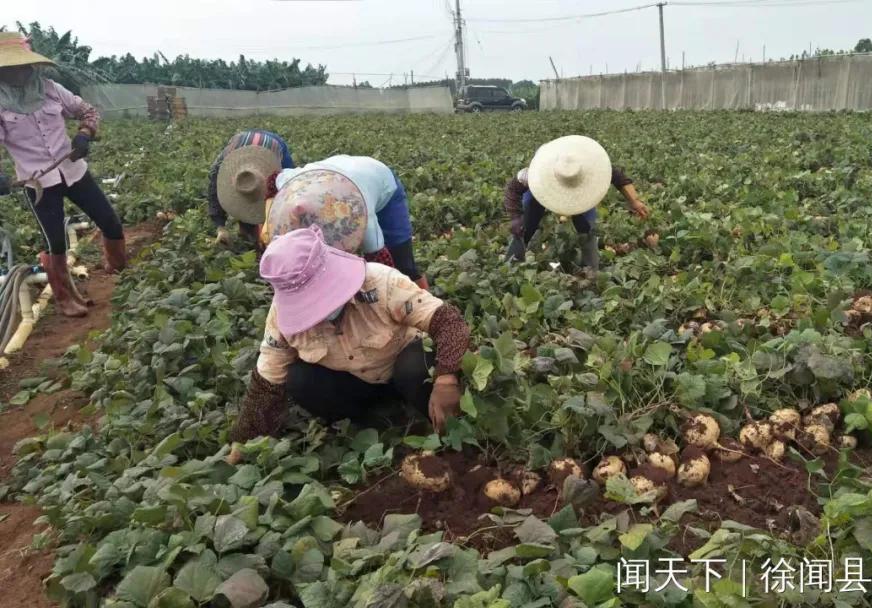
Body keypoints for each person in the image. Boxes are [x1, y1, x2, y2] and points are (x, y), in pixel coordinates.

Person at [227, 225, 469, 443]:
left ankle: (438, 419)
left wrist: (446, 378)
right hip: (357, 385)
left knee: (413, 367)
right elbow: (266, 383)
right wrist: (242, 444)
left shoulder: (380, 282)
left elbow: (448, 322)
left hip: (405, 371)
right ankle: (378, 423)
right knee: (300, 380)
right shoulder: (280, 317)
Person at [0, 33, 126, 318]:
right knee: (55, 242)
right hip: (38, 183)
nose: (19, 72)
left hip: (73, 171)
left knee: (109, 221)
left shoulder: (51, 90)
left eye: (22, 66)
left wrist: (84, 134)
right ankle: (65, 297)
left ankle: (118, 270)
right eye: (10, 68)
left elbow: (88, 111)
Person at [262, 155, 429, 289]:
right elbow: (273, 182)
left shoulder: (357, 207)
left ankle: (426, 308)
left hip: (379, 178)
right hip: (340, 170)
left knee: (403, 263)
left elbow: (380, 261)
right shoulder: (287, 183)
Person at [504, 135, 649, 272]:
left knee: (587, 229)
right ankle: (511, 266)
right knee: (524, 226)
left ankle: (591, 271)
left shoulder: (594, 166)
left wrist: (634, 201)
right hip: (539, 192)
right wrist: (516, 218)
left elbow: (620, 179)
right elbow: (512, 189)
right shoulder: (535, 175)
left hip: (581, 193)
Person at [209, 129, 294, 245]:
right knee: (248, 194)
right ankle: (247, 233)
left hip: (273, 144)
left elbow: (289, 190)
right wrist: (220, 228)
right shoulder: (222, 166)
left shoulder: (281, 164)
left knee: (285, 192)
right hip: (241, 139)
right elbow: (214, 193)